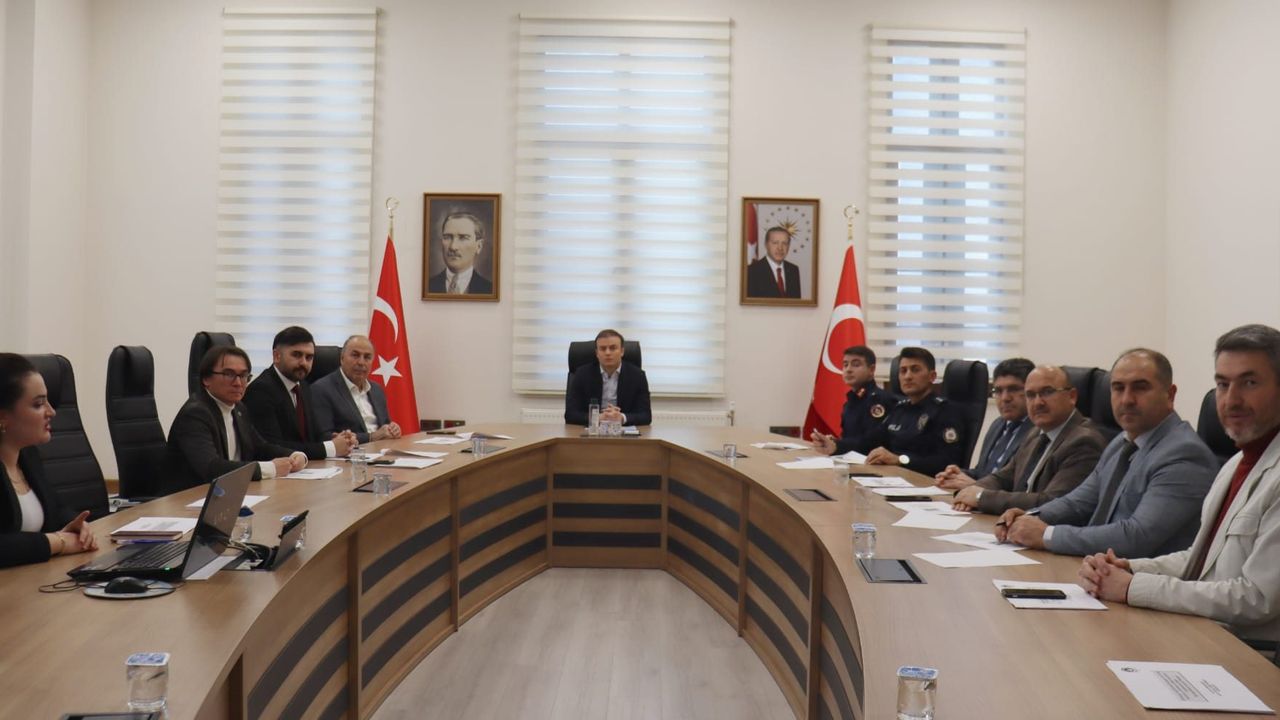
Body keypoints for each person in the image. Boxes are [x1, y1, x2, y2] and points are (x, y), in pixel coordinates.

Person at [1078, 325, 1280, 644]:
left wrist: (1132, 588)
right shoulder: (1235, 464)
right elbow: (1199, 560)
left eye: (1249, 383)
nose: (1231, 399)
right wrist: (1129, 568)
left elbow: (1257, 598)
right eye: (1222, 384)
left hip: (1250, 653)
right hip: (1203, 633)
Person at [996, 349, 1217, 557]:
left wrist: (1046, 535)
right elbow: (1078, 502)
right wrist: (1029, 517)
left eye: (1140, 388)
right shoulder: (1122, 442)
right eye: (1118, 388)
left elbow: (1136, 536)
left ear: (1169, 394)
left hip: (1141, 578)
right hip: (1098, 570)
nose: (1127, 400)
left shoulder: (1184, 454)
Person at [940, 365, 1106, 515]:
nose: (1038, 402)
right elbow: (1003, 477)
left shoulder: (1084, 441)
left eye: (1047, 392)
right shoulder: (1036, 433)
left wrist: (980, 497)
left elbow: (1052, 502)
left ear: (1072, 396)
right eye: (1030, 395)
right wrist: (970, 491)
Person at [161, 345, 307, 495]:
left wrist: (294, 455)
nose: (238, 383)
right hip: (189, 499)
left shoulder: (238, 408)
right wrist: (271, 468)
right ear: (206, 379)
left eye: (243, 376)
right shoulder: (195, 414)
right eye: (229, 374)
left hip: (227, 493)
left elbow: (260, 447)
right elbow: (211, 468)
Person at [0, 354, 98, 567]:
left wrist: (76, 525)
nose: (51, 412)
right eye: (38, 404)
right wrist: (57, 542)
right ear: (2, 417)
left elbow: (56, 508)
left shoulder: (28, 456)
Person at [815, 347, 966, 476]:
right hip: (891, 479)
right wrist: (836, 446)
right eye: (903, 371)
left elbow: (947, 462)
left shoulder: (945, 411)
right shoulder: (900, 409)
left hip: (923, 485)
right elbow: (868, 442)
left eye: (915, 370)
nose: (908, 376)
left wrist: (900, 460)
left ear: (932, 376)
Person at [244, 326, 356, 460]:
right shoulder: (260, 390)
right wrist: (330, 448)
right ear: (277, 356)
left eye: (309, 357)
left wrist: (337, 440)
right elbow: (273, 446)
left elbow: (308, 437)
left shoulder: (303, 386)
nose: (303, 363)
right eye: (296, 355)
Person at [312, 335, 402, 443]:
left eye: (367, 357)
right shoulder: (321, 389)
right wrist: (371, 437)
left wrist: (392, 430)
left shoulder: (376, 389)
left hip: (383, 449)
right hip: (352, 452)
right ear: (342, 358)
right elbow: (325, 437)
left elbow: (385, 426)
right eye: (355, 355)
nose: (361, 362)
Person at [808, 345, 896, 454]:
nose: (848, 369)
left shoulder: (878, 400)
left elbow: (872, 444)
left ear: (871, 369)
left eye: (856, 365)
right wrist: (833, 441)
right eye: (845, 365)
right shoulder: (851, 401)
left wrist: (837, 445)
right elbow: (850, 438)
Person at [565, 329, 652, 426]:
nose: (607, 353)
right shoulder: (582, 374)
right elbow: (570, 414)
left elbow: (646, 416)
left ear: (622, 351)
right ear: (597, 353)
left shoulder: (638, 376)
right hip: (592, 430)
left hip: (623, 430)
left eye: (613, 348)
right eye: (603, 349)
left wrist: (621, 417)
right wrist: (597, 418)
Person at [969, 358, 1035, 477]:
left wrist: (977, 484)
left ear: (1031, 391)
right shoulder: (997, 424)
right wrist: (957, 475)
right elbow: (981, 472)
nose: (1005, 398)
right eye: (998, 391)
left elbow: (1020, 483)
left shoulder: (1038, 431)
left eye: (1013, 389)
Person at [426, 211, 493, 294]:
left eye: (463, 238)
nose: (453, 247)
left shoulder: (490, 290)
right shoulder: (426, 286)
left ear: (479, 246)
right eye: (447, 237)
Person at [745, 227, 801, 299]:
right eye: (775, 243)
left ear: (789, 246)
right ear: (766, 245)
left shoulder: (793, 270)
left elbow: (796, 304)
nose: (780, 248)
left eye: (784, 243)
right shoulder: (751, 271)